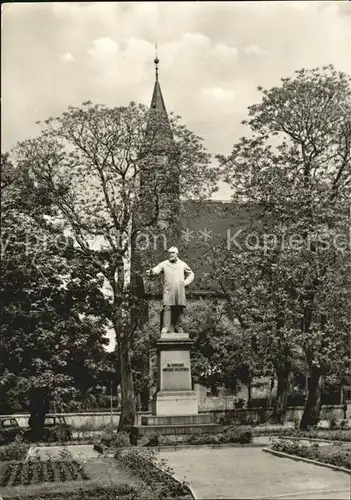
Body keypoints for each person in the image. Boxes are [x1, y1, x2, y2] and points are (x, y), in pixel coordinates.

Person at [146, 246, 194, 334]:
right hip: (168, 290)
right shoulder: (164, 264)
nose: (171, 255)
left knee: (178, 307)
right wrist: (151, 271)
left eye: (173, 253)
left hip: (179, 290)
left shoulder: (182, 264)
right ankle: (166, 327)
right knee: (167, 307)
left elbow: (191, 274)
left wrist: (185, 283)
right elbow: (157, 269)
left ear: (177, 254)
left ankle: (178, 327)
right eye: (170, 253)